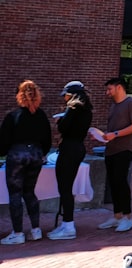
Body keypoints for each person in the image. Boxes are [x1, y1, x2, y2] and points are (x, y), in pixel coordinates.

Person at [0, 80, 51, 244]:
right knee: (29, 192)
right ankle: (36, 230)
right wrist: (42, 152)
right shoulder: (41, 115)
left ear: (19, 96)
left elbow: (3, 141)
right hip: (35, 154)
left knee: (15, 193)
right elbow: (48, 139)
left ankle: (18, 232)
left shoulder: (13, 116)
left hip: (17, 155)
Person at [48, 81, 93, 240]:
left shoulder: (73, 108)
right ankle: (67, 223)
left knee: (65, 188)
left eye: (66, 95)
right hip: (78, 148)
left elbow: (63, 128)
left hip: (69, 149)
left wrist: (59, 122)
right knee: (67, 188)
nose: (64, 98)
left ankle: (68, 225)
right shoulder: (87, 109)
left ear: (71, 94)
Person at [101, 77, 132, 233]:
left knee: (121, 182)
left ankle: (128, 218)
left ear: (119, 88)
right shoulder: (113, 105)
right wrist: (105, 136)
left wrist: (115, 134)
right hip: (111, 149)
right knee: (113, 183)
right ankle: (117, 216)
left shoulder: (131, 103)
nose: (107, 93)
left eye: (110, 89)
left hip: (125, 149)